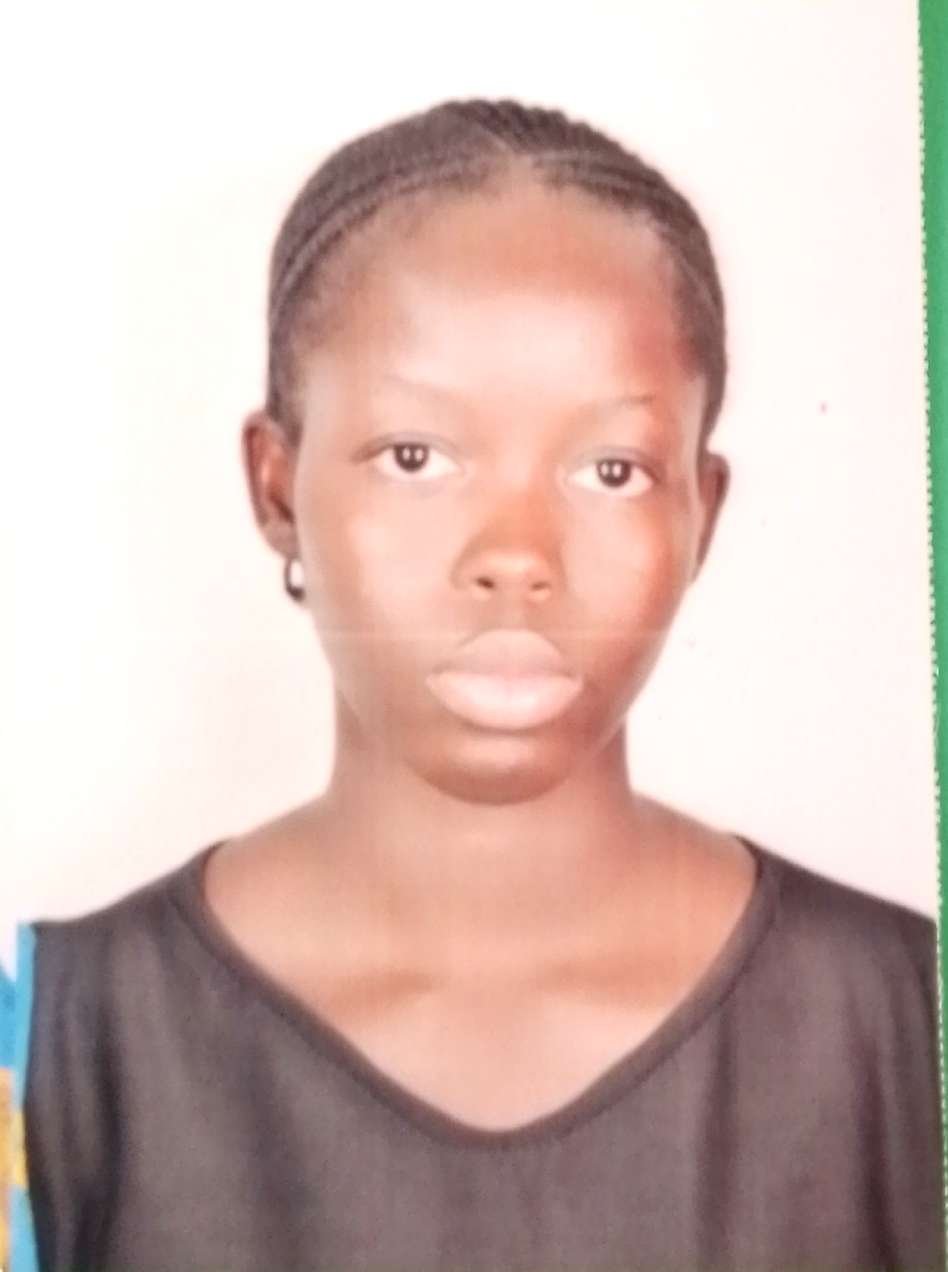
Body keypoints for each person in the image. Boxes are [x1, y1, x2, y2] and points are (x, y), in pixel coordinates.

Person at [16, 99, 943, 1271]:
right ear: (276, 486)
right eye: (416, 458)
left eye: (612, 469)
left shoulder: (911, 1028)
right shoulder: (46, 1060)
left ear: (700, 513)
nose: (517, 555)